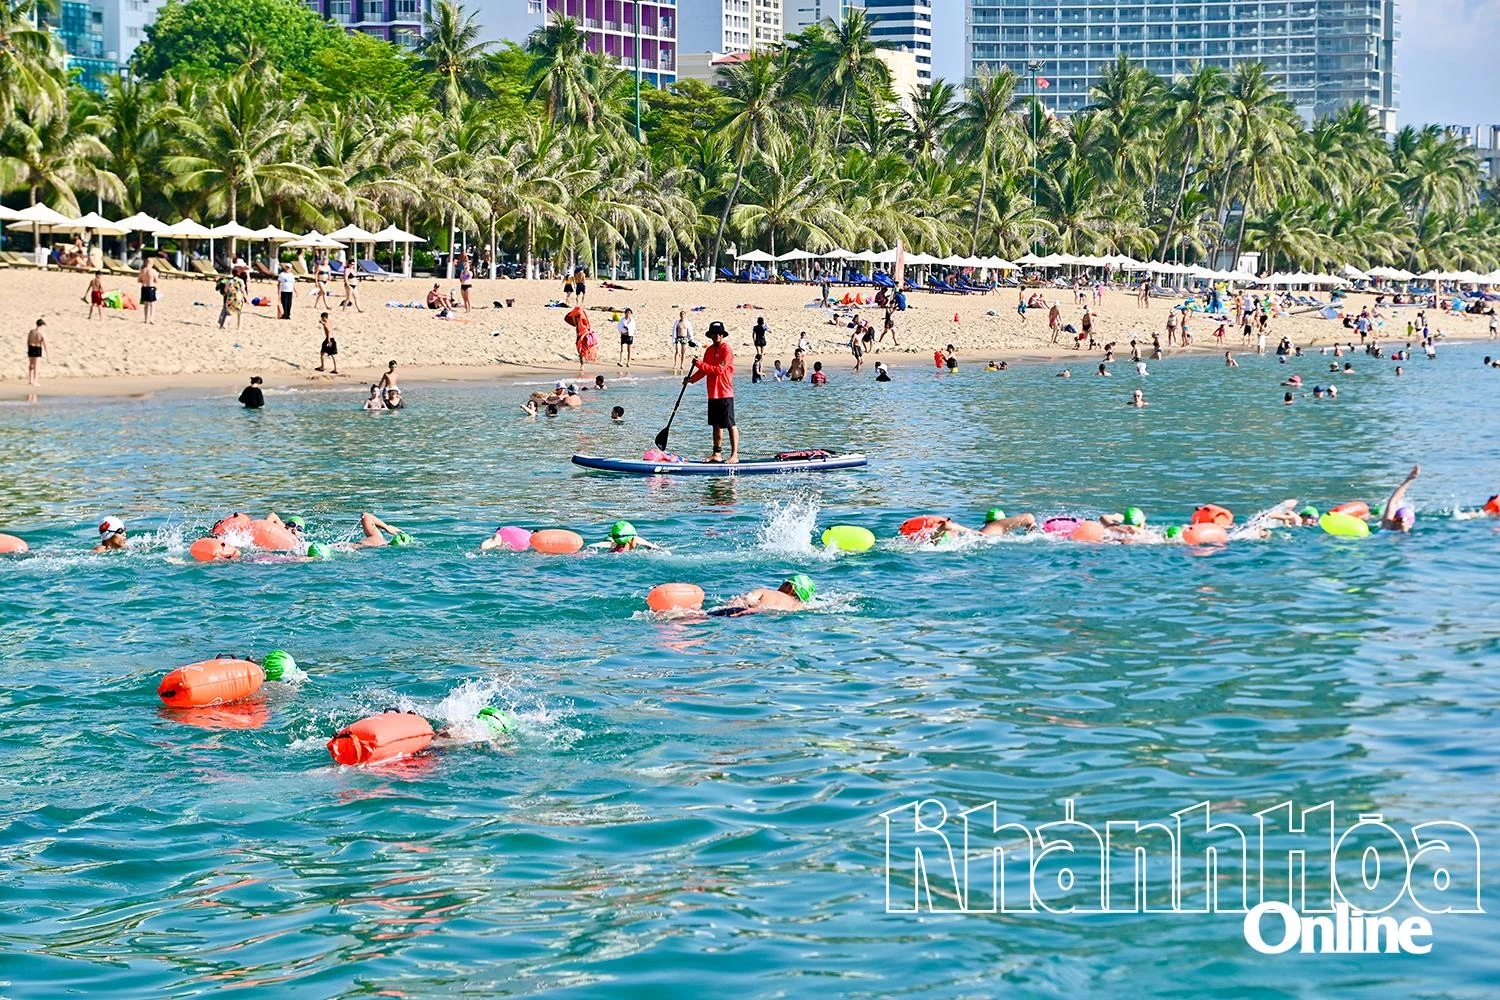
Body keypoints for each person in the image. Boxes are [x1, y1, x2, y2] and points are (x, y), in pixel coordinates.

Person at [685, 320, 738, 463]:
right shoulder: (708, 350)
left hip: (725, 392)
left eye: (719, 333)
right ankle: (717, 454)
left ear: (722, 335)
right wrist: (691, 379)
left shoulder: (727, 350)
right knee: (716, 425)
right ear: (711, 335)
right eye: (714, 333)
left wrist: (700, 364)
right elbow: (703, 370)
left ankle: (734, 455)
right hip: (712, 393)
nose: (717, 336)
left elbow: (719, 370)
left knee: (730, 424)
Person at [715, 574, 814, 615]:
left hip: (744, 612)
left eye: (785, 582)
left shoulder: (765, 592)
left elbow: (743, 600)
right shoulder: (801, 607)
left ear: (790, 587)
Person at [1380, 464, 1420, 533]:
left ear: (1410, 524)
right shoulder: (1387, 526)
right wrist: (1409, 479)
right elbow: (1394, 501)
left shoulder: (1413, 538)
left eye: (1401, 520)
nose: (1397, 523)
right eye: (1396, 519)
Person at [588, 520, 661, 552]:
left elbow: (592, 545)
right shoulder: (632, 554)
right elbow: (658, 549)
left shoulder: (611, 547)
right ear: (631, 540)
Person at [567, 305, 595, 376]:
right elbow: (574, 323)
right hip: (579, 335)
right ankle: (582, 361)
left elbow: (586, 325)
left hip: (583, 334)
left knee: (584, 348)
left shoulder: (582, 318)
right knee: (579, 349)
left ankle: (582, 363)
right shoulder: (576, 318)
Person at [25, 319, 46, 387]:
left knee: (31, 365)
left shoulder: (31, 332)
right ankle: (35, 381)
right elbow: (45, 343)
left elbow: (28, 341)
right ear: (41, 325)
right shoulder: (41, 332)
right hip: (37, 348)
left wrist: (28, 348)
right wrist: (47, 353)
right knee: (37, 365)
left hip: (31, 347)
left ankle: (30, 380)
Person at [138, 256, 158, 324]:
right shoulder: (153, 271)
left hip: (144, 287)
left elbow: (139, 280)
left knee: (146, 304)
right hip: (151, 287)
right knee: (152, 304)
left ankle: (146, 319)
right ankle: (151, 319)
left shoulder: (143, 270)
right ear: (152, 263)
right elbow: (156, 280)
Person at [672, 309, 693, 375]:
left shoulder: (688, 322)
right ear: (680, 315)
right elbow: (674, 330)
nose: (682, 315)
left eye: (683, 314)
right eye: (681, 314)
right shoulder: (677, 322)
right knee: (677, 351)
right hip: (678, 338)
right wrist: (673, 338)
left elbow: (690, 331)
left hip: (685, 338)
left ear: (685, 315)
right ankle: (675, 364)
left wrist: (691, 339)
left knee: (683, 352)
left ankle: (682, 365)